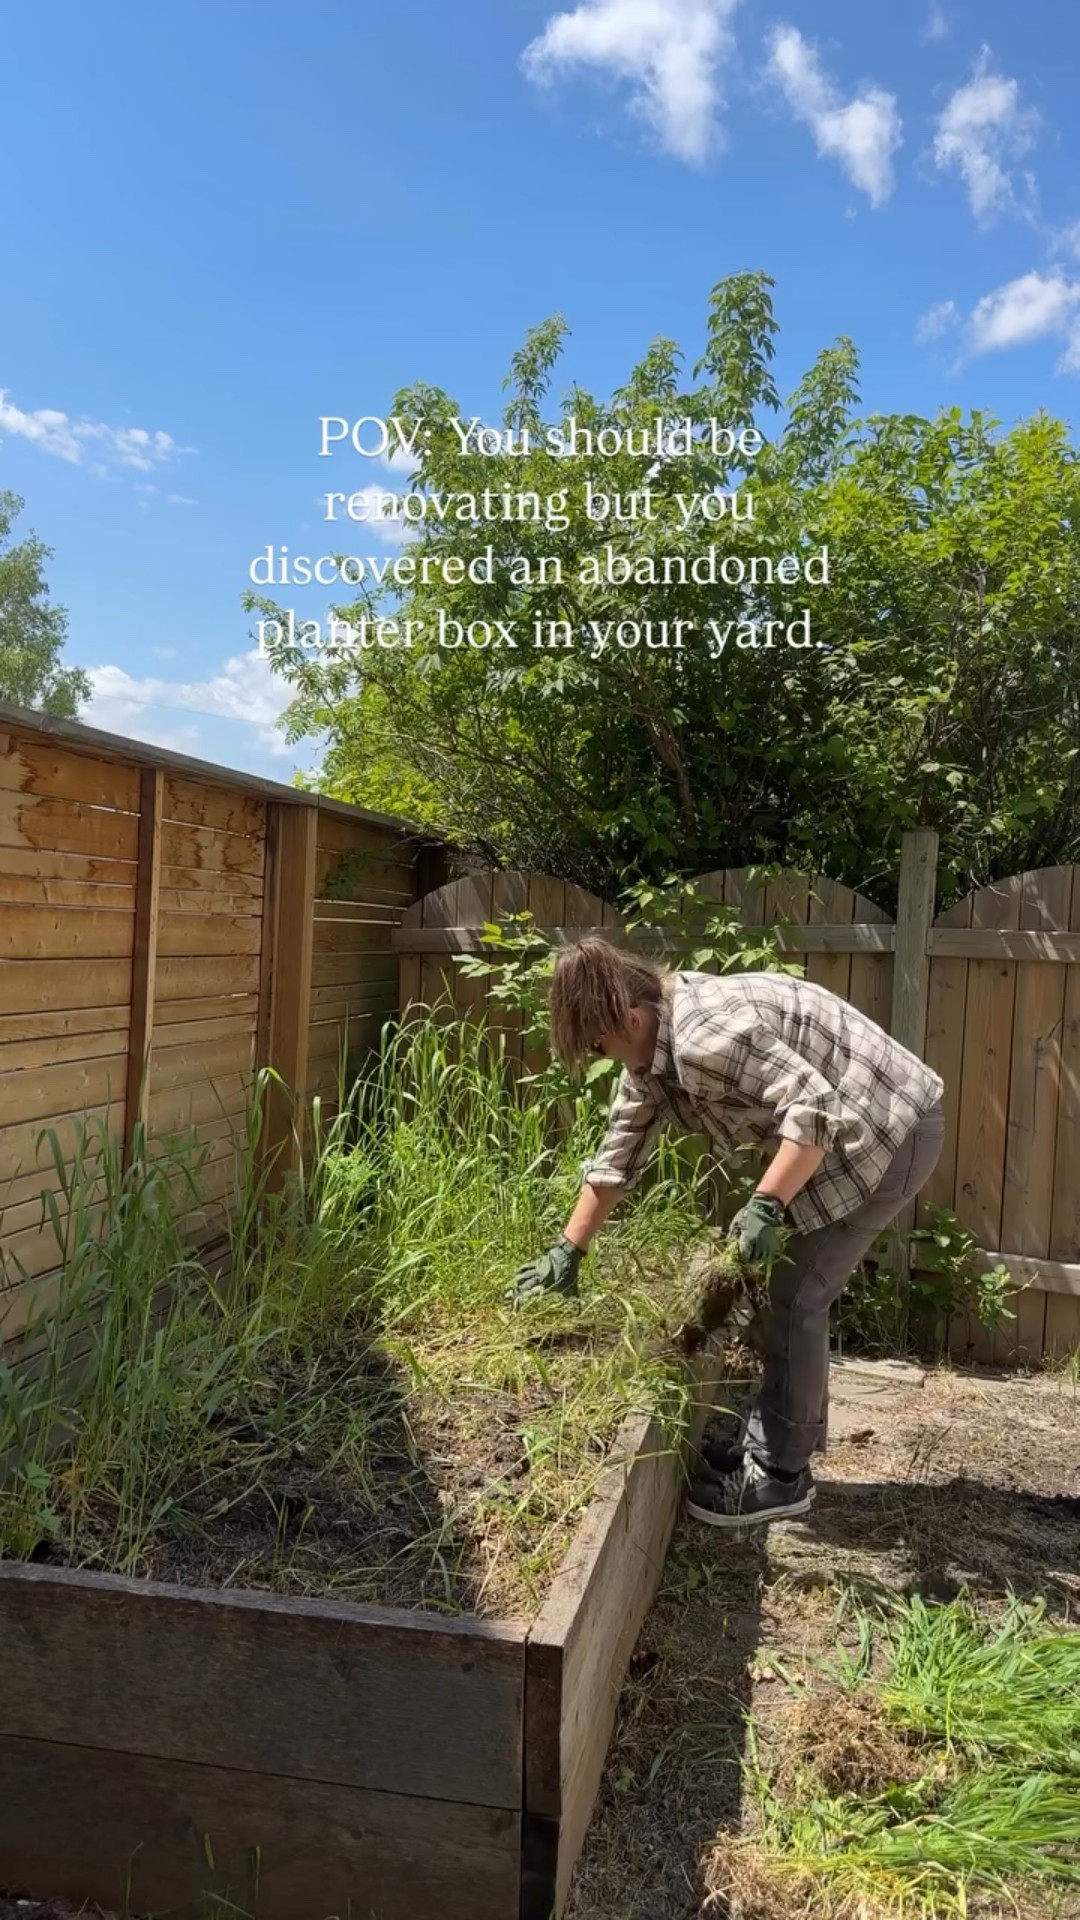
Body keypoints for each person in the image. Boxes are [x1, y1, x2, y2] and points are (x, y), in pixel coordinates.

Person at [508, 938, 945, 1529]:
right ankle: (772, 1445)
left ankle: (780, 1479)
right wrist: (568, 1250)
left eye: (599, 1044)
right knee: (774, 1288)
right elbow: (619, 1154)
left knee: (797, 1296)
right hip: (845, 1131)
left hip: (887, 1125)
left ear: (629, 1020)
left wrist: (765, 1205)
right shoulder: (653, 1052)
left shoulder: (704, 1036)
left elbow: (813, 1109)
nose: (602, 1056)